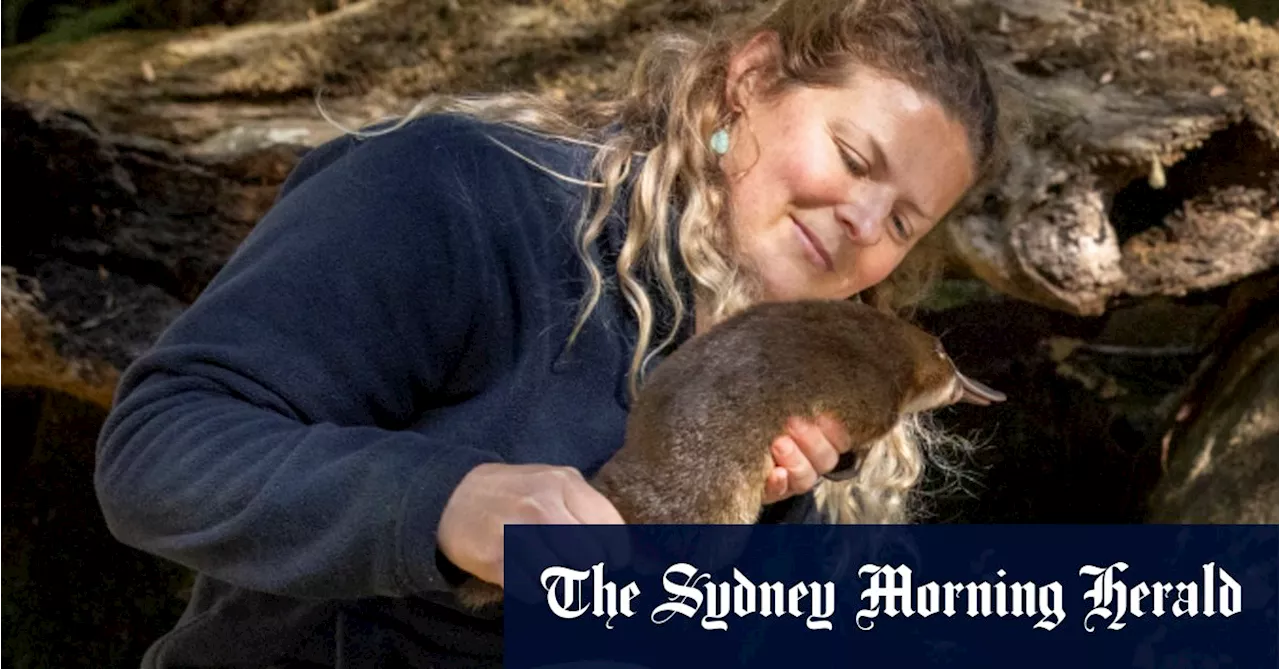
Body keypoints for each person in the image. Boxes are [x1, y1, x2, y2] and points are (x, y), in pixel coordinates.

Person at [94, 0, 1002, 666]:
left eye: (901, 224)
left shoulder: (809, 402)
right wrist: (443, 503)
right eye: (852, 160)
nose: (861, 222)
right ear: (751, 77)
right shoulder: (456, 192)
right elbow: (158, 449)